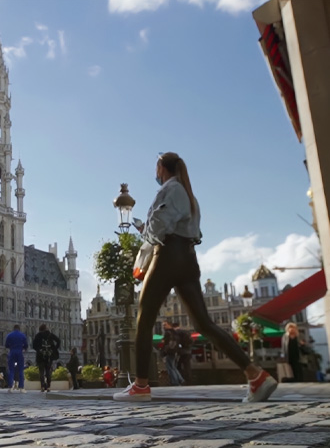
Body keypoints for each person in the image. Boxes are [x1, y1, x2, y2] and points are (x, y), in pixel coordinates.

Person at [114, 152, 277, 402]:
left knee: (144, 319)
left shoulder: (170, 188)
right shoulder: (189, 194)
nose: (155, 173)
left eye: (156, 168)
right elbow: (193, 230)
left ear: (161, 168)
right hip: (188, 258)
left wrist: (147, 236)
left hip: (167, 256)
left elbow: (160, 222)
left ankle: (141, 386)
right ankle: (255, 375)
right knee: (203, 323)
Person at [32, 324, 60, 392]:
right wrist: (54, 349)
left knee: (41, 371)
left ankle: (42, 386)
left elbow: (34, 345)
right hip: (49, 355)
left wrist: (39, 350)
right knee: (48, 371)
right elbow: (58, 341)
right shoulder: (50, 334)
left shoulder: (38, 335)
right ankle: (48, 386)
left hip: (40, 356)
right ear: (46, 328)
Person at [5, 324, 28, 393]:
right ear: (19, 329)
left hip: (12, 352)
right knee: (21, 370)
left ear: (13, 328)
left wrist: (11, 346)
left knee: (11, 370)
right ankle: (21, 387)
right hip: (19, 352)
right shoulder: (23, 335)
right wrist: (22, 348)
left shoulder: (9, 335)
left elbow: (6, 345)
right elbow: (26, 345)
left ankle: (10, 387)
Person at [162, 321, 184, 386]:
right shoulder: (174, 332)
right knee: (173, 366)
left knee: (170, 367)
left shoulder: (168, 332)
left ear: (169, 325)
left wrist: (166, 350)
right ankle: (180, 379)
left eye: (165, 325)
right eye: (163, 325)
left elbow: (169, 343)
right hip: (174, 351)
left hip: (170, 351)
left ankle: (175, 382)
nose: (164, 326)